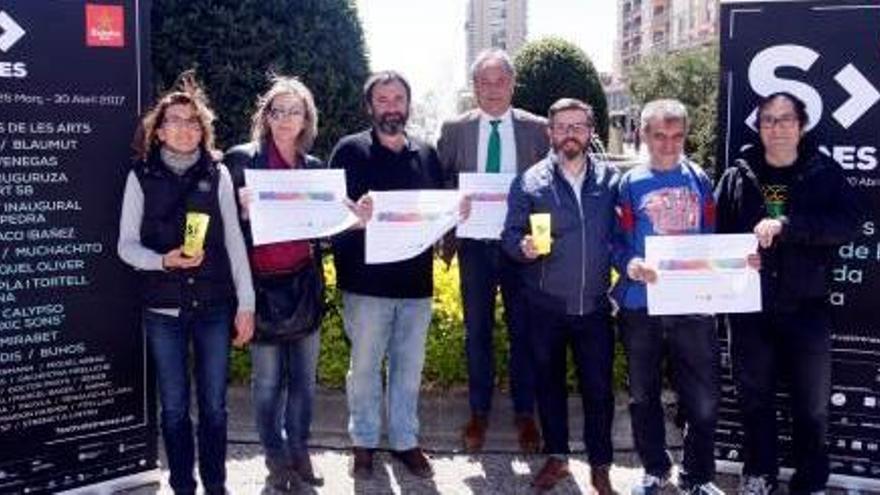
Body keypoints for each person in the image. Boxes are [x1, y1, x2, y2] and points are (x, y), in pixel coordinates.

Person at [715, 92, 860, 495]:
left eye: (785, 119)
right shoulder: (737, 176)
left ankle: (810, 480)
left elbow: (847, 225)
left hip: (807, 309)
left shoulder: (824, 173)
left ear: (801, 125)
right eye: (768, 121)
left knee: (811, 406)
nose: (776, 128)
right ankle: (759, 473)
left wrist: (789, 227)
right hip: (749, 309)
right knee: (754, 399)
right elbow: (716, 240)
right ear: (759, 128)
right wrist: (738, 259)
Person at [117, 73, 255, 495]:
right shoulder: (140, 175)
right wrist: (162, 260)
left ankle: (216, 485)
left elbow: (234, 241)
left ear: (203, 129)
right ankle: (182, 485)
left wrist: (245, 304)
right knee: (174, 408)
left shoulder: (218, 174)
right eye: (175, 120)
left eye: (193, 121)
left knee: (214, 406)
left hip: (214, 306)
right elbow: (125, 246)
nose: (185, 127)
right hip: (163, 311)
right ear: (158, 130)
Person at [329, 71, 444, 480]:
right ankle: (363, 442)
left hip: (416, 286)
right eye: (383, 99)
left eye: (398, 98)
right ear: (370, 106)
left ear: (408, 105)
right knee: (363, 369)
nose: (392, 106)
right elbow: (331, 214)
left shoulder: (428, 154)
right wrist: (352, 216)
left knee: (408, 369)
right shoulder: (349, 151)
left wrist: (456, 214)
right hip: (366, 286)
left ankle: (404, 441)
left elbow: (436, 212)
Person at [502, 98, 618, 493]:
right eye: (563, 127)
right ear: (549, 133)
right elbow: (510, 235)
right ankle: (557, 457)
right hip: (545, 305)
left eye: (578, 126)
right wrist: (522, 248)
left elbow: (626, 235)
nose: (571, 134)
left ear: (590, 131)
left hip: (596, 307)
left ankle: (600, 464)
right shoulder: (530, 181)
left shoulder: (611, 181)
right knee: (548, 385)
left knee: (598, 390)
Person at [437, 48, 548, 453]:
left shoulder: (538, 130)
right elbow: (441, 178)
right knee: (477, 332)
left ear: (513, 84)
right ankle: (479, 412)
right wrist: (454, 202)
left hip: (522, 249)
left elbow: (549, 187)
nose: (493, 89)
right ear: (474, 88)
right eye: (485, 82)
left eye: (501, 81)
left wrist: (541, 239)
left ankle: (524, 414)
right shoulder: (454, 130)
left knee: (525, 332)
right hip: (474, 246)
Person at [613, 99, 722, 495]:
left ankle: (696, 475)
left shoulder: (701, 180)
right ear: (643, 135)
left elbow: (711, 238)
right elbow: (615, 241)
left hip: (692, 306)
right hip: (641, 306)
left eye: (677, 135)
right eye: (659, 135)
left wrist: (729, 268)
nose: (668, 144)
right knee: (643, 396)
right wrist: (630, 264)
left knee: (705, 400)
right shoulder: (627, 184)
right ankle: (655, 469)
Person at [225, 76, 325, 493]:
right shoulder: (240, 161)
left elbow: (326, 230)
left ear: (306, 119)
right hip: (260, 288)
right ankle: (274, 457)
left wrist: (355, 213)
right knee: (266, 383)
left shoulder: (315, 169)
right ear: (266, 117)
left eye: (294, 111)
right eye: (277, 110)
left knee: (304, 380)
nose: (286, 119)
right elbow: (220, 227)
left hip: (304, 286)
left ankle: (298, 449)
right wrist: (241, 210)